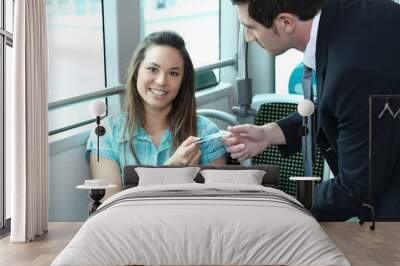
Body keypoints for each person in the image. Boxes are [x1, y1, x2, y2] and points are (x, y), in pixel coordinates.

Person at [223, 0, 400, 220]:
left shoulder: (353, 69)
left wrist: (279, 206)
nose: (248, 38)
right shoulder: (348, 14)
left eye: (251, 27)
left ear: (286, 22)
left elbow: (356, 190)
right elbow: (346, 108)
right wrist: (269, 133)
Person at [87, 31, 226, 198]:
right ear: (136, 71)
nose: (161, 81)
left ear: (183, 81)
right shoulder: (105, 134)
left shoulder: (206, 133)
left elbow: (217, 205)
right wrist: (169, 171)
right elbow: (110, 206)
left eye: (174, 73)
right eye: (153, 69)